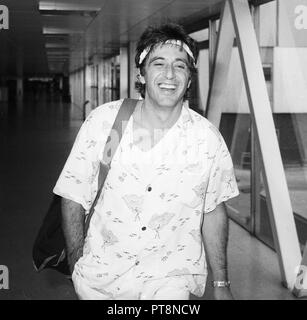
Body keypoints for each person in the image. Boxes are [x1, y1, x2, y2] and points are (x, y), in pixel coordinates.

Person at [53, 22, 239, 300]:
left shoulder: (207, 139)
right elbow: (73, 195)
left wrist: (221, 284)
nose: (169, 74)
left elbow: (213, 210)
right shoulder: (106, 123)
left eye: (180, 66)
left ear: (189, 78)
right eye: (158, 63)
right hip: (102, 282)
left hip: (171, 283)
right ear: (141, 74)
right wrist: (77, 260)